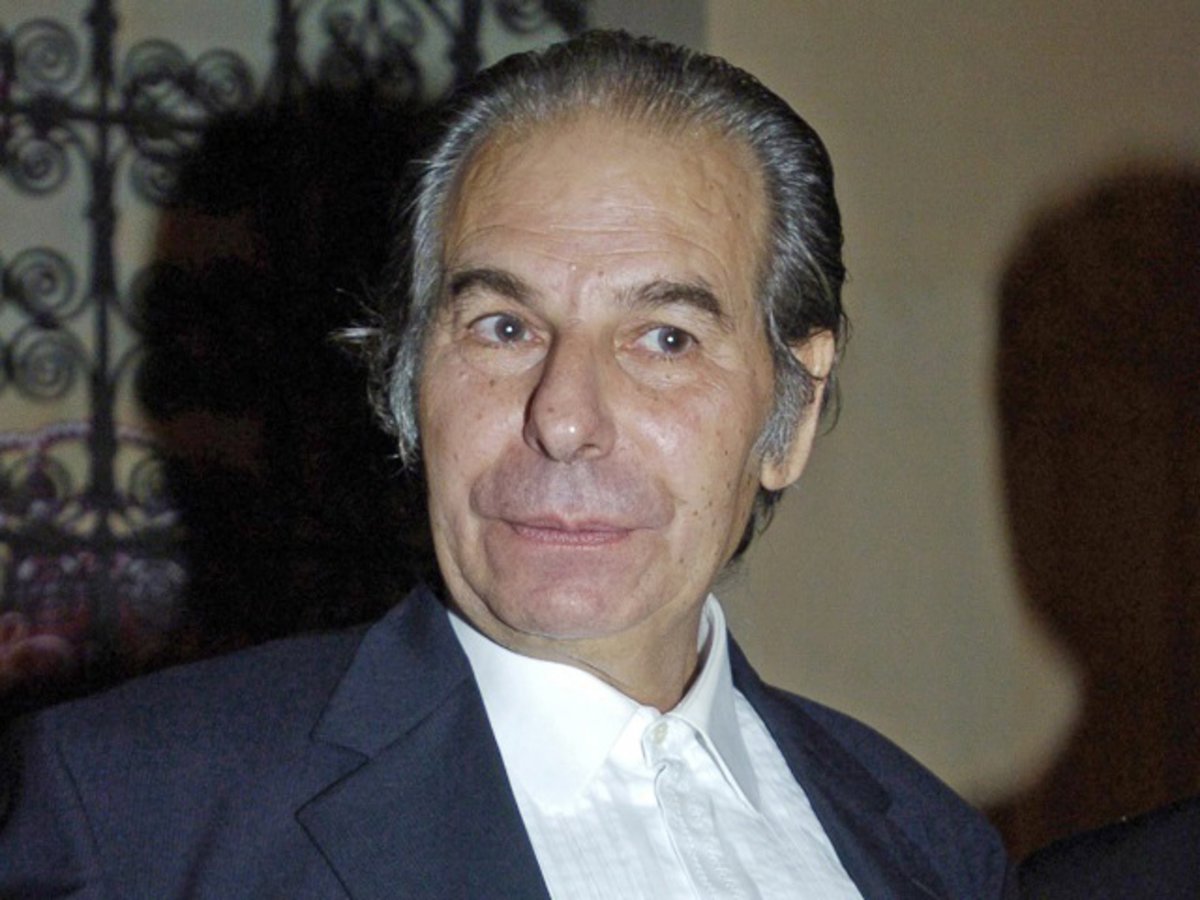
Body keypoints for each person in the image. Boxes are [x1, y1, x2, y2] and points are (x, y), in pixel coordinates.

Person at [0, 31, 1012, 898]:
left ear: (793, 412)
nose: (564, 418)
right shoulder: (133, 820)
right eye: (504, 326)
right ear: (406, 380)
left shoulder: (932, 849)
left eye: (665, 338)